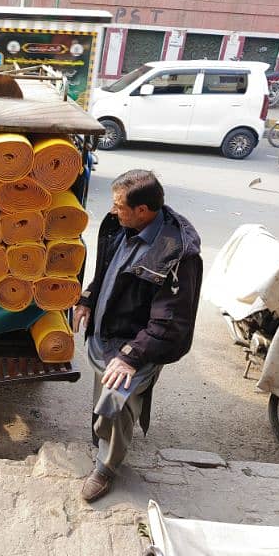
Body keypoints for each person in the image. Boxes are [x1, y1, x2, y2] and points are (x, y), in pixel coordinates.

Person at [73, 170, 203, 502]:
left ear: (143, 210)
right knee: (103, 392)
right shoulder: (121, 225)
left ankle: (106, 467)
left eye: (120, 206)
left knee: (116, 398)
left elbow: (170, 321)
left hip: (139, 344)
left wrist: (132, 355)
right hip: (108, 335)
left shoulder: (176, 255)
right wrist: (89, 297)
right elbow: (107, 269)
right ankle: (104, 437)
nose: (113, 211)